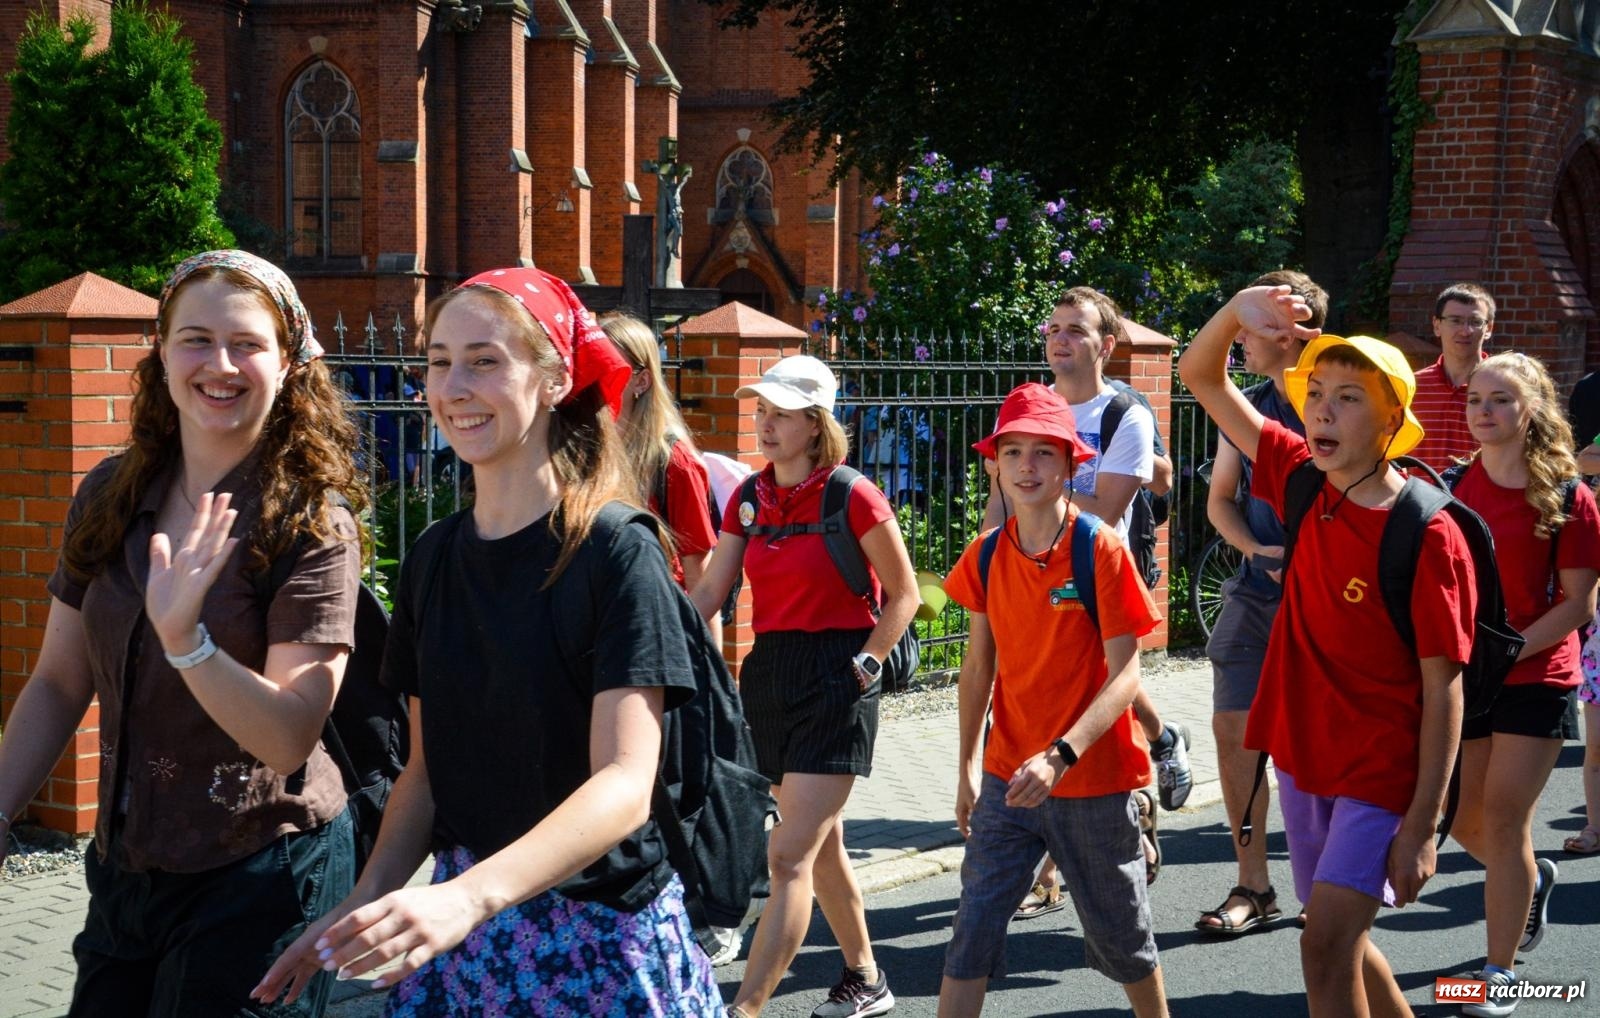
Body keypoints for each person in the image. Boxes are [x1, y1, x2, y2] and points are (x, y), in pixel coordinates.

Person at [254, 268, 723, 1015]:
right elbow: (424, 777)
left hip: (599, 937)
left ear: (554, 378)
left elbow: (626, 786)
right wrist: (357, 906)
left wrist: (468, 898)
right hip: (466, 943)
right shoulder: (435, 556)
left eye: (484, 360)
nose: (453, 385)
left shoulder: (613, 550)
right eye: (439, 360)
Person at [0, 250, 364, 1016]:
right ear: (160, 353)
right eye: (195, 339)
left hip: (262, 874)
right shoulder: (111, 492)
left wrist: (187, 641)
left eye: (247, 343)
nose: (219, 364)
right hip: (126, 870)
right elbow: (61, 681)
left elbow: (288, 736)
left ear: (290, 361)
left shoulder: (310, 523)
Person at [1178, 286, 1475, 1016]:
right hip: (1304, 762)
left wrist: (1423, 826)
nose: (1320, 410)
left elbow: (1445, 689)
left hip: (1380, 771)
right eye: (1317, 395)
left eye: (1347, 398)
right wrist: (1239, 308)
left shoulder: (1428, 533)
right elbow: (1199, 376)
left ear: (1391, 422)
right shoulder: (1300, 478)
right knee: (1338, 940)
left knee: (1323, 946)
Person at [691, 354, 918, 1018]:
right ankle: (866, 977)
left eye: (780, 414)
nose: (764, 424)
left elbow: (904, 594)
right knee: (821, 843)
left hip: (840, 673)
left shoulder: (852, 493)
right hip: (770, 672)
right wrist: (648, 635)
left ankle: (745, 1008)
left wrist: (870, 662)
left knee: (786, 856)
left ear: (815, 426)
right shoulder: (750, 496)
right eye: (760, 411)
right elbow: (710, 587)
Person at [938, 383, 1167, 1017]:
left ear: (1071, 464)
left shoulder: (1101, 548)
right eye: (1013, 453)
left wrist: (1061, 756)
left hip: (1091, 781)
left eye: (1044, 453)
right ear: (995, 464)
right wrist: (964, 768)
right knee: (971, 935)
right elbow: (977, 666)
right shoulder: (984, 555)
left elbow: (1126, 676)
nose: (1027, 467)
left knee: (1123, 941)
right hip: (1007, 778)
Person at [984, 288, 1186, 911]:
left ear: (1108, 343)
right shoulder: (1026, 406)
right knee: (1062, 700)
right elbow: (1002, 499)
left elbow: (1107, 507)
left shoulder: (1124, 412)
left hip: (1095, 579)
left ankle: (1067, 856)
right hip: (1026, 575)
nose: (1060, 338)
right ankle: (1158, 747)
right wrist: (992, 558)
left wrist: (1034, 505)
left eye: (1076, 328)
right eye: (1054, 327)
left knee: (1084, 700)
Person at [1445, 352, 1599, 1013]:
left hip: (1538, 672)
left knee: (1506, 821)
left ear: (1530, 408)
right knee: (1459, 820)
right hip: (1466, 676)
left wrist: (1505, 655)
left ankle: (1498, 972)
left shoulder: (1571, 497)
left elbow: (1577, 606)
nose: (1485, 410)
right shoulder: (1450, 487)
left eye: (1501, 399)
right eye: (1477, 398)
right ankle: (1530, 885)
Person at [1197, 269, 1329, 935]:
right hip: (1255, 595)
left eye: (1253, 324)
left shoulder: (1336, 401)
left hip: (1329, 605)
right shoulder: (1245, 404)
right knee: (1233, 731)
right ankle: (1254, 883)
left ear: (1290, 332)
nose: (1241, 338)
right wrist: (1255, 549)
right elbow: (1220, 500)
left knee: (1316, 744)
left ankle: (1328, 883)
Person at [600, 311, 723, 644]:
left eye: (609, 367)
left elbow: (701, 580)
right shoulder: (585, 454)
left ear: (641, 381)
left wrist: (711, 678)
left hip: (654, 633)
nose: (596, 379)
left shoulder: (675, 464)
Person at [1409, 282, 1497, 471]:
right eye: (1455, 321)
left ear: (1488, 328)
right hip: (1421, 499)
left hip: (1476, 499)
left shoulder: (1503, 388)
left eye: (1475, 322)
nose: (1465, 331)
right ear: (1437, 325)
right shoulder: (1411, 387)